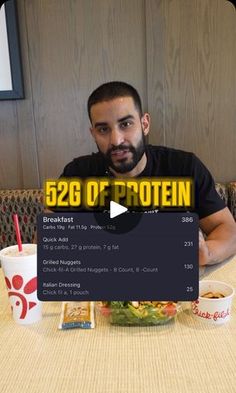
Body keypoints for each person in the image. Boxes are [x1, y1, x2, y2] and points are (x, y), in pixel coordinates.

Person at [60, 81, 236, 266]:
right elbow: (46, 239)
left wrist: (206, 252)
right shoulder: (76, 174)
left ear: (145, 124)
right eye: (103, 129)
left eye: (126, 124)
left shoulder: (184, 167)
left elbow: (228, 230)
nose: (116, 140)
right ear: (93, 134)